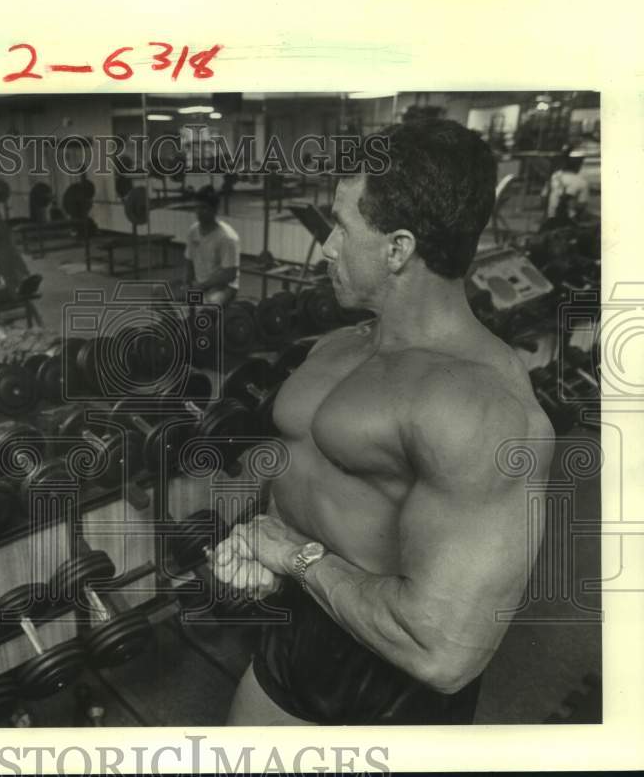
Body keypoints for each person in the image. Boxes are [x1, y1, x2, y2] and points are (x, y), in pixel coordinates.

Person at [211, 119, 555, 725]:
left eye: (342, 229)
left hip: (391, 690)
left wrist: (297, 558)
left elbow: (443, 650)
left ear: (398, 248)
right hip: (297, 634)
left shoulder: (482, 408)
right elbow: (311, 488)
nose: (327, 248)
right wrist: (258, 546)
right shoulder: (335, 348)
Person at [181, 185, 240, 305]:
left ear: (215, 210)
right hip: (199, 285)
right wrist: (187, 284)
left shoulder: (227, 237)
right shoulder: (193, 231)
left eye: (204, 208)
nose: (199, 212)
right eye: (197, 207)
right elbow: (189, 261)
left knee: (209, 309)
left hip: (223, 288)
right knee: (160, 293)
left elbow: (230, 275)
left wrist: (201, 286)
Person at [540, 148, 590, 232]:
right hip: (568, 224)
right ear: (580, 164)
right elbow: (581, 206)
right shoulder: (581, 182)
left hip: (550, 222)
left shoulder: (554, 177)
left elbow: (543, 199)